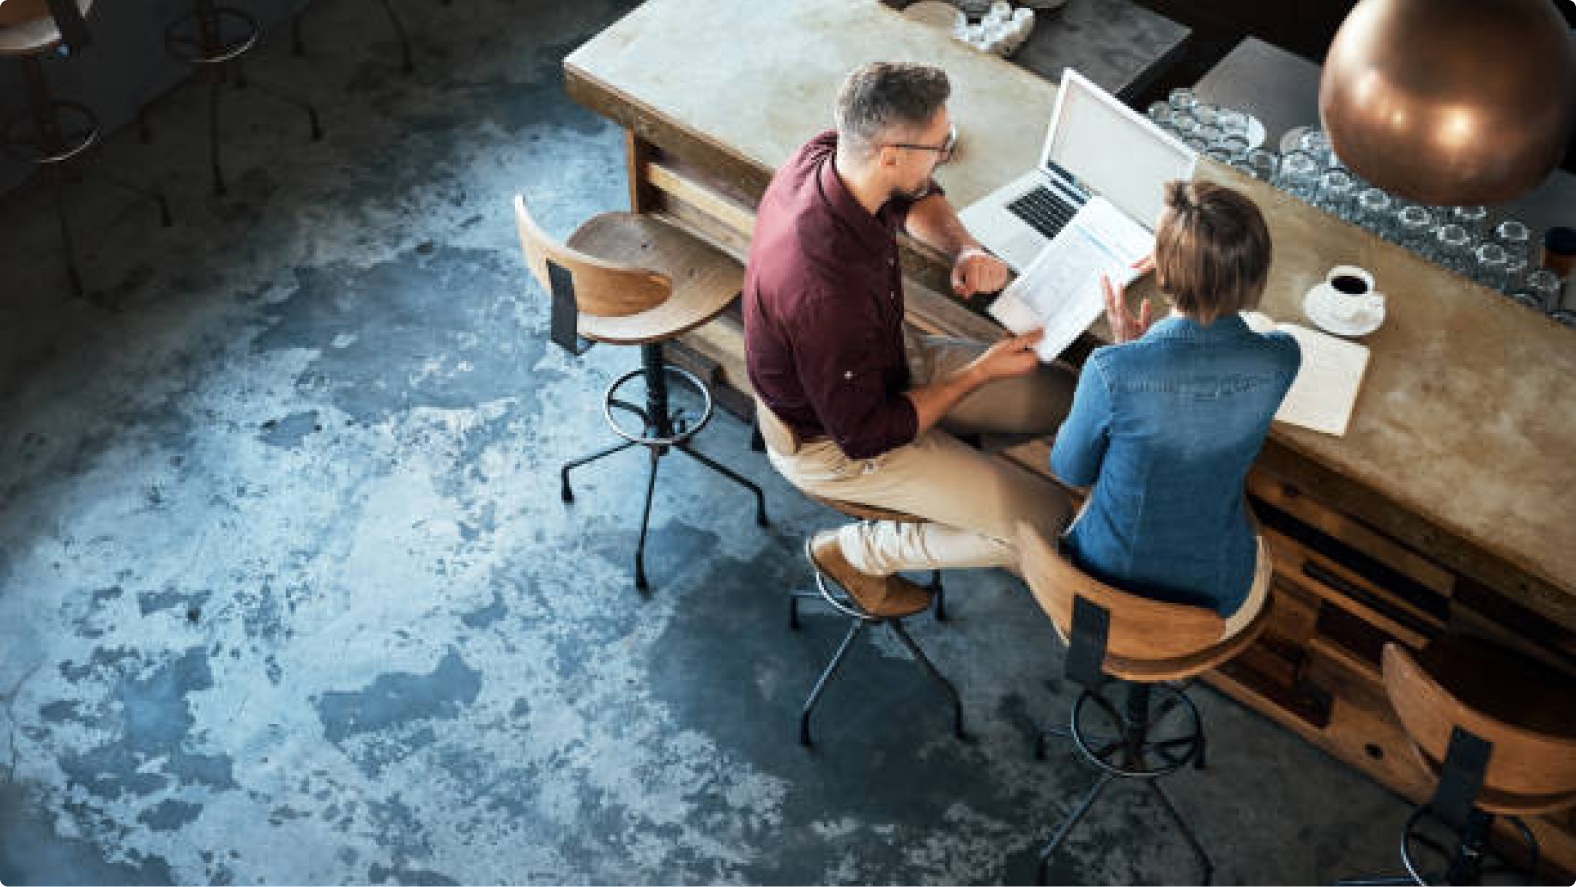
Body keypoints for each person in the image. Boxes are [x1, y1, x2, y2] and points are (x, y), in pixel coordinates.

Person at [743, 62, 1077, 617]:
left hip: (884, 360)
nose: (945, 153)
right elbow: (866, 433)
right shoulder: (826, 291)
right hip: (835, 440)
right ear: (889, 154)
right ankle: (857, 552)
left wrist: (965, 248)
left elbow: (914, 196)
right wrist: (977, 376)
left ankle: (959, 469)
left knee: (1066, 400)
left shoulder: (831, 155)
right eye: (938, 146)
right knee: (1046, 522)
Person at [1050, 179, 1301, 633]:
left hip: (1103, 592)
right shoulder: (1282, 358)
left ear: (1162, 272)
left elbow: (1070, 471)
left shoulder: (1111, 371)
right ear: (1256, 278)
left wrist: (1129, 354)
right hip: (1213, 603)